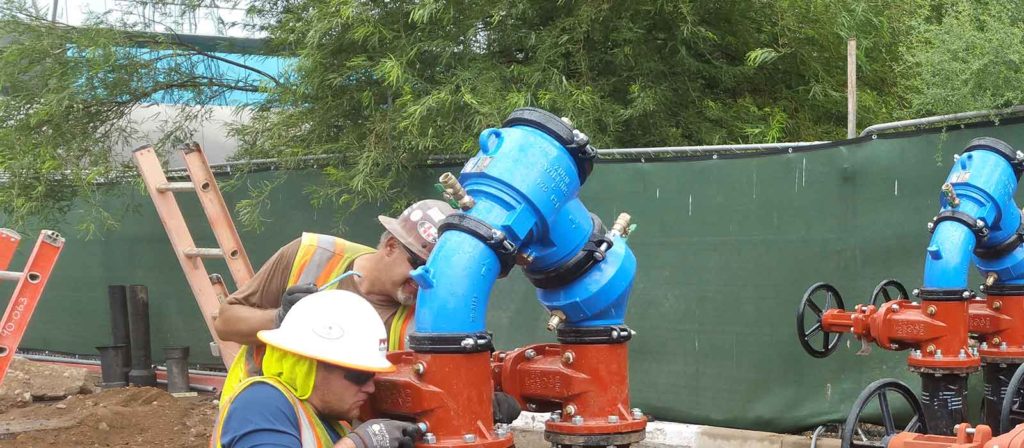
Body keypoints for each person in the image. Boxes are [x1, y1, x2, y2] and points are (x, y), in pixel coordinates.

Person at [214, 199, 456, 400]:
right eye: (420, 263)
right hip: (252, 415)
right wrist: (280, 318)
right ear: (391, 246)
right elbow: (225, 324)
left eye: (435, 272)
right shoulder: (311, 256)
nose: (422, 278)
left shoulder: (423, 321)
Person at [213, 289, 422, 448]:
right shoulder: (262, 403)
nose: (371, 388)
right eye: (360, 375)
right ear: (310, 364)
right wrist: (359, 443)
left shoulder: (329, 421)